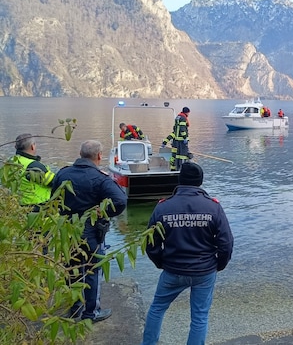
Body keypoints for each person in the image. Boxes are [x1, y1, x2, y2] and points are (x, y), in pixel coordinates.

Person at [141, 162, 233, 345]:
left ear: (179, 180)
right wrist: (218, 266)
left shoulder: (163, 207)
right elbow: (226, 243)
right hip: (204, 271)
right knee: (199, 317)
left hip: (173, 270)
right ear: (200, 182)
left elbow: (150, 242)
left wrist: (162, 262)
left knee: (157, 308)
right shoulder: (213, 207)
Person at [51, 140, 127, 322]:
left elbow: (53, 199)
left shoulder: (62, 174)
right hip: (92, 233)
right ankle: (91, 313)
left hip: (67, 231)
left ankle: (75, 308)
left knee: (73, 270)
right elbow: (121, 201)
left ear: (80, 153)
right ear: (99, 156)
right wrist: (104, 211)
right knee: (92, 272)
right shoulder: (100, 178)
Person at [13, 133, 55, 209]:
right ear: (32, 146)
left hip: (17, 206)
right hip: (37, 207)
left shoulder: (11, 162)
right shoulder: (34, 166)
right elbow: (53, 182)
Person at [162, 107, 191, 171]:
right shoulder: (183, 118)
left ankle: (173, 168)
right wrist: (185, 138)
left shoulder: (178, 117)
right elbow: (182, 129)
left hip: (175, 142)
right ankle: (182, 169)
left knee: (174, 155)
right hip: (181, 142)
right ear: (187, 112)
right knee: (182, 156)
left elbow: (174, 132)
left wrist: (164, 142)